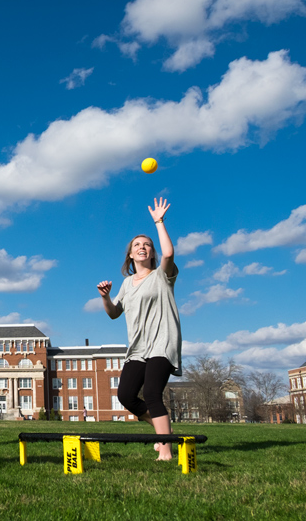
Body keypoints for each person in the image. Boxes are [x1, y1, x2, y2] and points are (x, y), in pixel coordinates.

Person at [96, 198, 181, 461]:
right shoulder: (126, 283)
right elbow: (113, 314)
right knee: (126, 396)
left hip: (163, 343)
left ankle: (165, 452)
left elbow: (168, 254)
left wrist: (159, 222)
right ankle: (163, 431)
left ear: (152, 253)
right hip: (138, 349)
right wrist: (105, 297)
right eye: (137, 245)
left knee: (153, 393)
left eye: (147, 245)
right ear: (130, 255)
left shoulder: (163, 276)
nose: (142, 248)